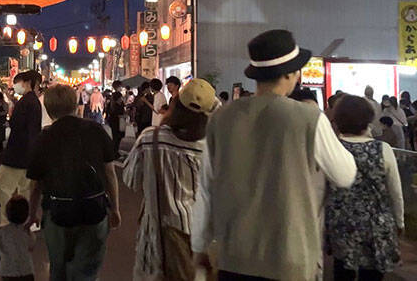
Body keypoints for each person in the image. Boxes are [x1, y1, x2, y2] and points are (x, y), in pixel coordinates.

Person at [191, 29, 357, 281]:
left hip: (233, 256)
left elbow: (205, 190)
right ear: (290, 73)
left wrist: (199, 246)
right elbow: (345, 175)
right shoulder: (310, 118)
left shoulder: (221, 118)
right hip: (290, 258)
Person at [124, 79, 219, 281]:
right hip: (199, 242)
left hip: (156, 241)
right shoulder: (212, 148)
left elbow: (131, 179)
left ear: (176, 105)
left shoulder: (150, 139)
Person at [26, 84, 120, 281]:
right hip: (94, 209)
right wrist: (115, 208)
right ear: (75, 104)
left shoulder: (44, 137)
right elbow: (110, 173)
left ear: (49, 109)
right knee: (87, 270)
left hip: (57, 211)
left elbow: (35, 184)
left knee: (58, 270)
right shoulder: (96, 130)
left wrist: (32, 213)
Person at [326, 95, 404, 280]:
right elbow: (395, 191)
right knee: (372, 275)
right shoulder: (383, 149)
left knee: (342, 272)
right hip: (377, 226)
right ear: (368, 119)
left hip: (341, 225)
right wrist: (399, 222)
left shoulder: (332, 149)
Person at [0, 71, 43, 226]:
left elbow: (19, 128)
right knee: (25, 191)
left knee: (2, 189)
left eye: (17, 82)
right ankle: (26, 222)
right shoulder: (34, 101)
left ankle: (3, 222)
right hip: (28, 155)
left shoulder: (25, 102)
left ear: (27, 82)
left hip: (16, 155)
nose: (15, 86)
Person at [0, 196, 36, 281]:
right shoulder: (27, 232)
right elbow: (31, 246)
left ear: (7, 213)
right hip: (26, 270)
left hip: (7, 270)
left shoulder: (0, 231)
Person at [106, 80, 127, 158]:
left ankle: (114, 152)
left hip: (112, 119)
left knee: (115, 136)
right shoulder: (118, 95)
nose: (121, 88)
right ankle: (114, 152)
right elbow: (120, 106)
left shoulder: (112, 95)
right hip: (117, 119)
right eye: (121, 86)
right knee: (118, 136)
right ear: (118, 87)